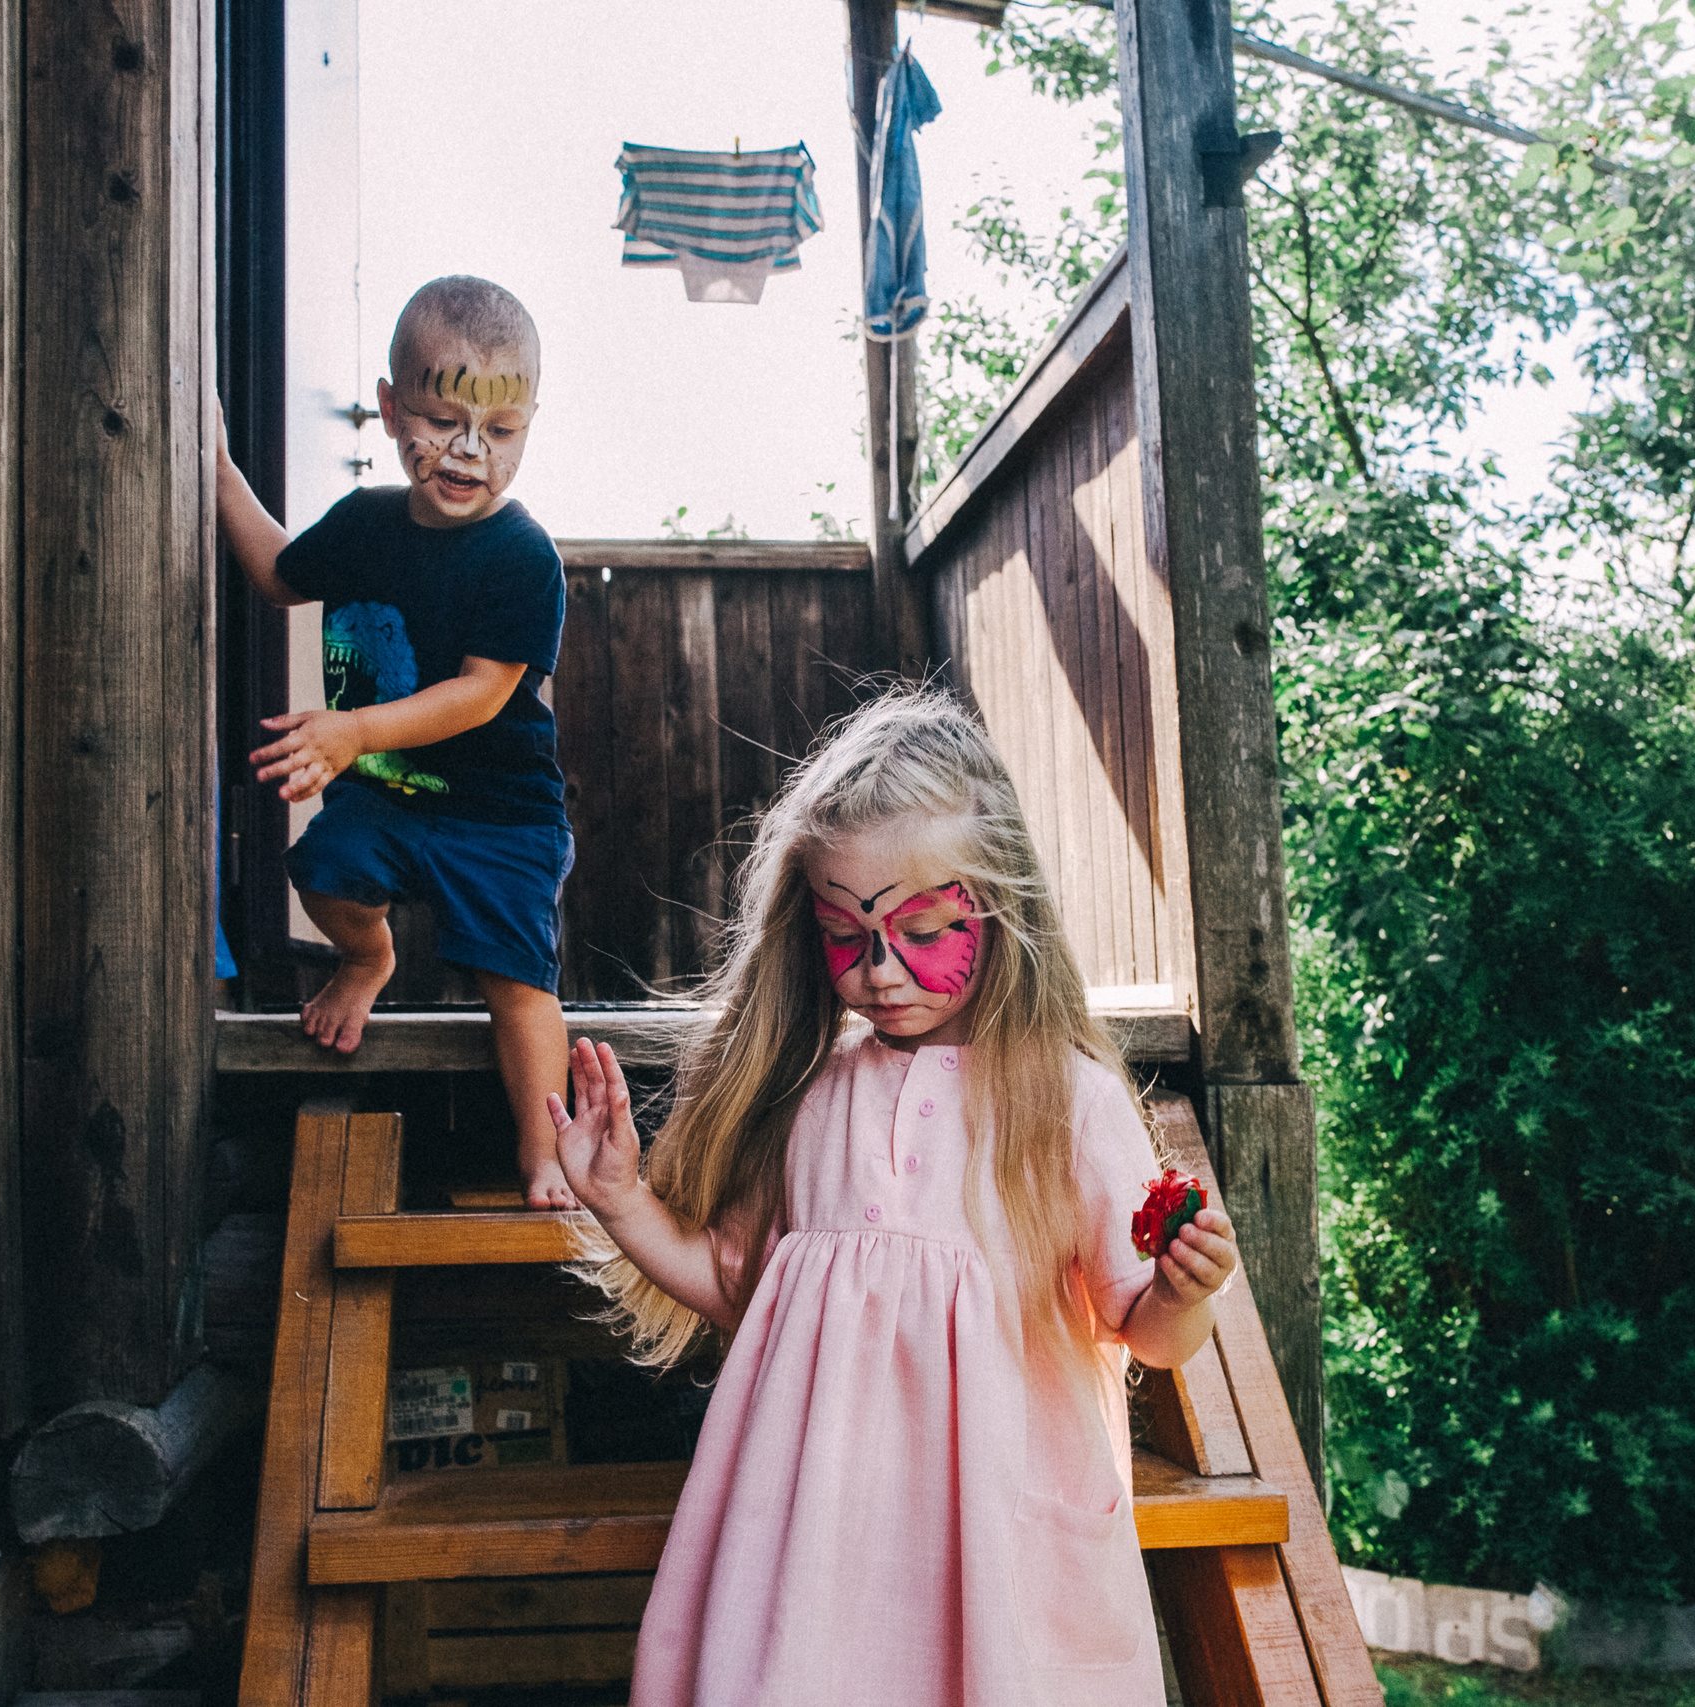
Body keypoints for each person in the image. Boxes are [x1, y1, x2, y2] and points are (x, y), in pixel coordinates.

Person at [550, 688, 1240, 1704]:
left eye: (923, 929)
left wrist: (1185, 1292)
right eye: (844, 934)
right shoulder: (811, 1100)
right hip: (812, 1556)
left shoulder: (1068, 1102)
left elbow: (1146, 1331)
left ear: (1000, 906)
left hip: (993, 1559)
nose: (879, 969)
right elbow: (737, 1285)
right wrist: (620, 1200)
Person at [216, 274, 578, 1209]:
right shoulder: (366, 524)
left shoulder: (522, 557)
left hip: (501, 817)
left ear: (530, 424)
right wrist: (213, 465)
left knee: (516, 978)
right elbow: (275, 572)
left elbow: (480, 694)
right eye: (442, 418)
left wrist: (352, 731)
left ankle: (548, 1157)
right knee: (323, 869)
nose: (468, 452)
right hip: (384, 794)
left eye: (500, 432)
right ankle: (366, 957)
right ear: (388, 408)